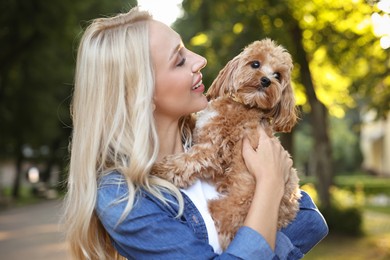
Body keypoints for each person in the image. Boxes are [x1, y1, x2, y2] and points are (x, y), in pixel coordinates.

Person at [63, 6, 328, 260]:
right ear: (141, 93)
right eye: (179, 61)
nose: (201, 60)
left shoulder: (221, 133)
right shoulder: (121, 196)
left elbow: (310, 218)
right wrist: (270, 183)